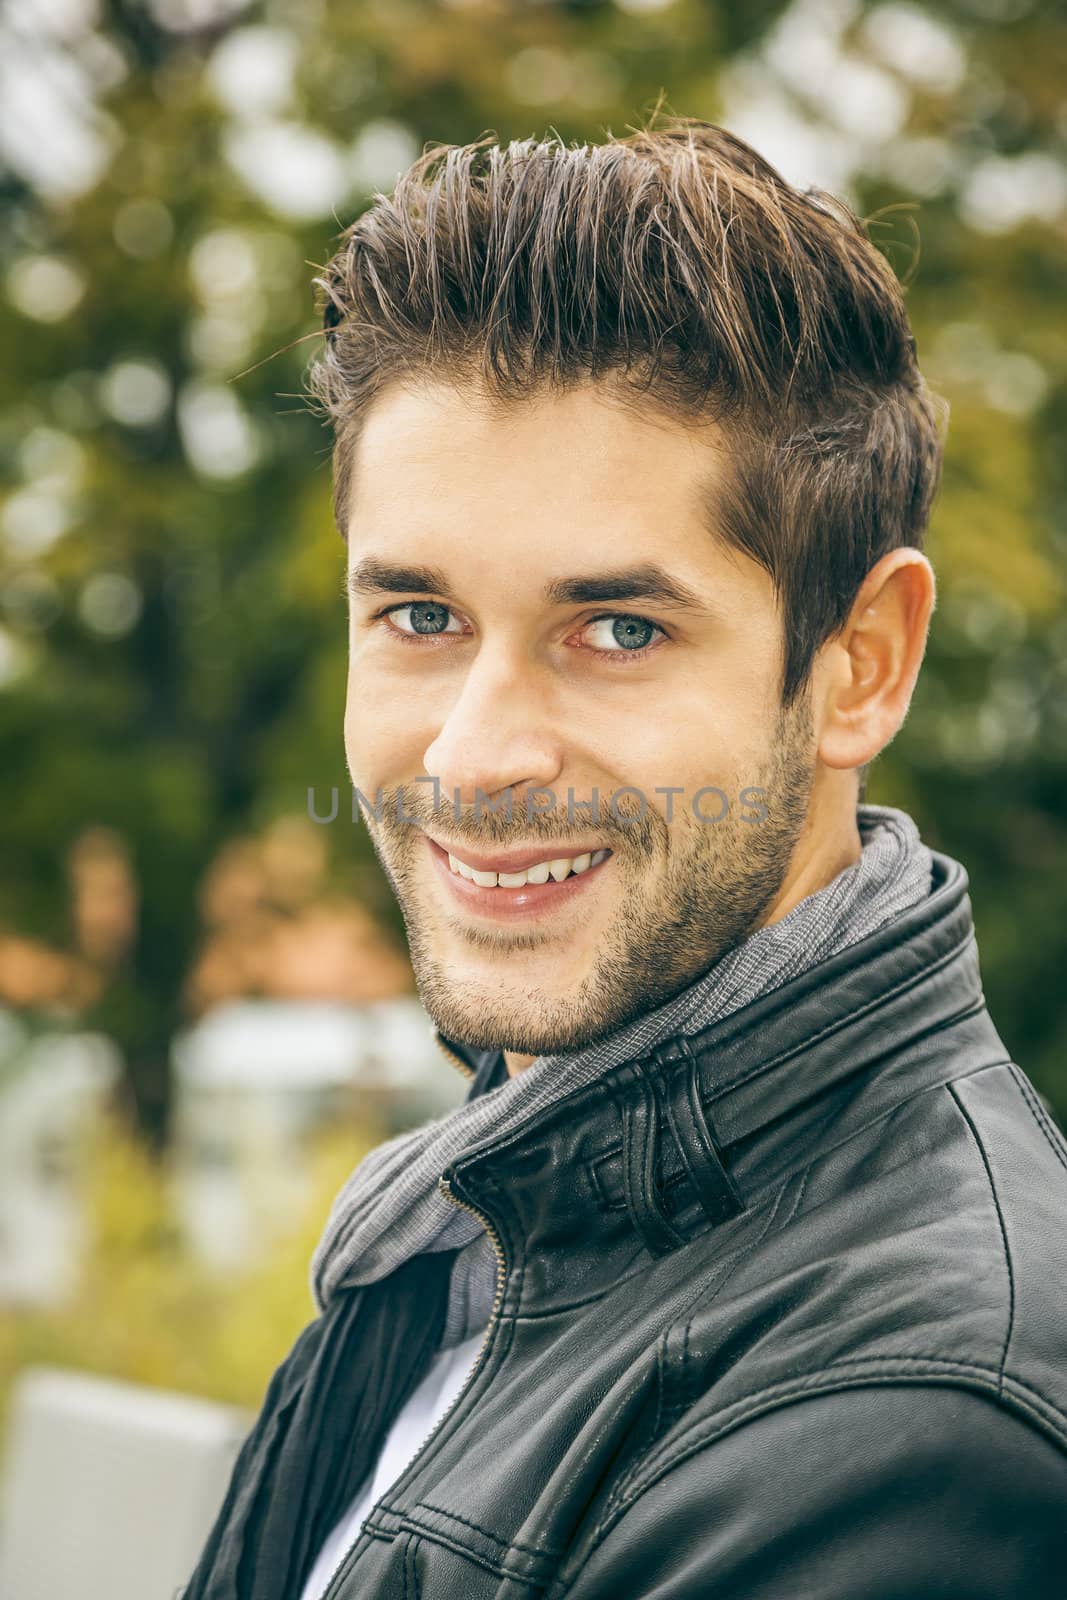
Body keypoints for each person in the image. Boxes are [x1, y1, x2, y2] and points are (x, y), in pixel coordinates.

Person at [183, 117, 1067, 1600]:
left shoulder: (913, 1427)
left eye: (619, 631)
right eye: (419, 616)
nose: (473, 755)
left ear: (860, 665)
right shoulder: (484, 1214)